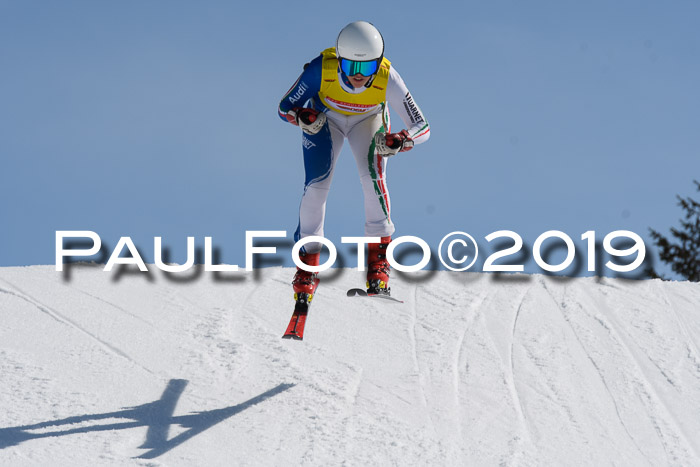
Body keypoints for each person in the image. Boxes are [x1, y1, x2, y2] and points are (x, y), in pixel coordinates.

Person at [278, 20, 430, 298]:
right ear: (339, 61)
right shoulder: (321, 69)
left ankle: (378, 268)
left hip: (368, 120)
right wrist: (301, 116)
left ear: (379, 63)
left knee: (373, 181)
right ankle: (307, 266)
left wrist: (403, 138)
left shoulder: (388, 76)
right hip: (327, 119)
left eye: (367, 67)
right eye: (350, 67)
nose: (358, 76)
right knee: (316, 188)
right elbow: (284, 107)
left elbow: (423, 126)